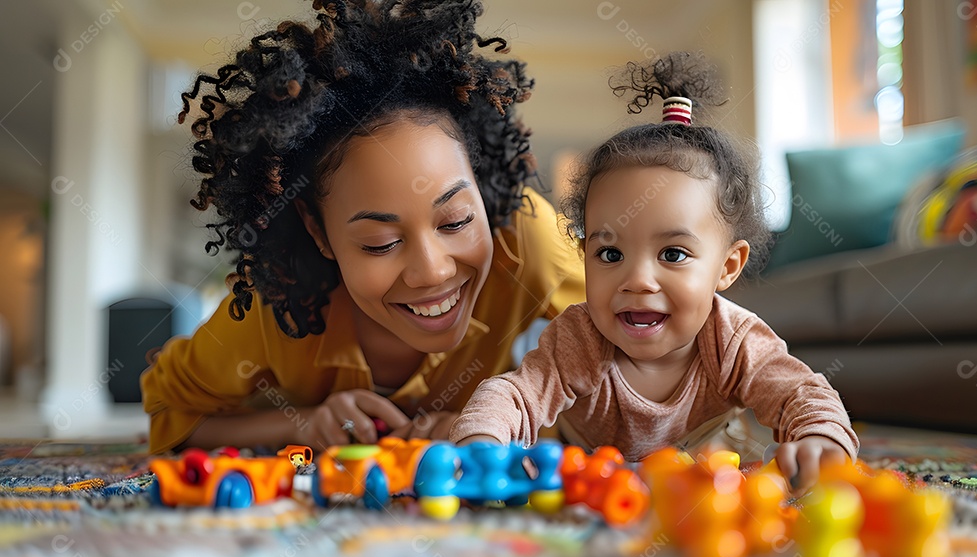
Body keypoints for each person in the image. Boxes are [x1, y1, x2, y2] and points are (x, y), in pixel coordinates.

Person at [142, 0, 585, 455]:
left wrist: (493, 421)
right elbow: (171, 413)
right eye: (381, 243)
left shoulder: (527, 240)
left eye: (455, 221)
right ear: (318, 233)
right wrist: (303, 423)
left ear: (479, 183)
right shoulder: (277, 305)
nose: (432, 272)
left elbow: (643, 365)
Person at [449, 52, 858, 495]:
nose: (638, 280)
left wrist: (820, 437)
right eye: (609, 255)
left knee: (725, 463)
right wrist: (483, 440)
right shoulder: (581, 338)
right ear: (584, 254)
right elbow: (516, 394)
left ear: (728, 266)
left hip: (697, 459)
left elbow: (802, 394)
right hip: (582, 454)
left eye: (674, 254)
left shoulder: (735, 340)